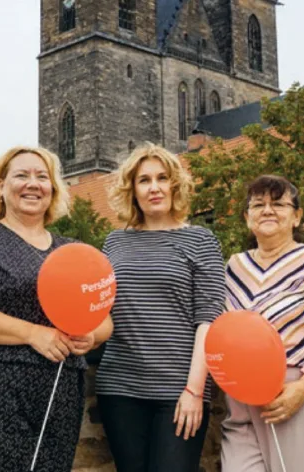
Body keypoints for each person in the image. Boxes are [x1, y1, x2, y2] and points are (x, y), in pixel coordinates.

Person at [0, 146, 113, 471]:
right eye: (21, 175)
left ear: (53, 189)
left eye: (42, 177)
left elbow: (103, 318)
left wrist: (90, 336)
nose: (32, 184)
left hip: (60, 387)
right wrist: (33, 334)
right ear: (1, 186)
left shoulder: (72, 249)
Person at [96, 144, 225, 472]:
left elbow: (209, 319)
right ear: (132, 190)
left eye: (162, 178)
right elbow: (100, 309)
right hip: (120, 387)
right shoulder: (114, 242)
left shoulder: (201, 240)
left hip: (179, 390)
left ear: (175, 185)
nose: (154, 187)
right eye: (144, 180)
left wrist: (194, 390)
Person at [221, 175, 304, 472]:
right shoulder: (234, 266)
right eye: (258, 205)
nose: (268, 210)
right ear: (247, 217)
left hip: (295, 394)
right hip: (241, 399)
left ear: (297, 216)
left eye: (278, 204)